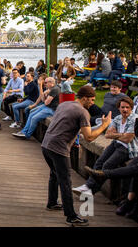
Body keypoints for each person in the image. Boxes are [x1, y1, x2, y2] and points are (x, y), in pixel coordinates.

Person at [41, 86, 112, 226]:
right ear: (84, 98)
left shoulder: (65, 104)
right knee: (66, 182)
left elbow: (63, 124)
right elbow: (89, 137)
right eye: (91, 100)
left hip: (46, 144)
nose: (92, 102)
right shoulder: (83, 112)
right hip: (59, 149)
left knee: (54, 174)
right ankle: (71, 216)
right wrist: (104, 126)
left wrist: (73, 141)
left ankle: (52, 202)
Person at [85, 108, 138, 216]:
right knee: (134, 170)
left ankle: (105, 176)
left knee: (135, 170)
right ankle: (129, 203)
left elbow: (131, 138)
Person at [72, 97, 138, 197]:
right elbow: (107, 135)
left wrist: (118, 135)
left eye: (127, 107)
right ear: (119, 108)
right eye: (122, 107)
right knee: (99, 162)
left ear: (131, 108)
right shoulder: (118, 118)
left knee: (107, 166)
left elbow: (128, 139)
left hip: (128, 148)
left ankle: (90, 189)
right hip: (116, 144)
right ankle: (88, 187)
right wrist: (122, 134)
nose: (125, 110)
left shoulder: (134, 119)